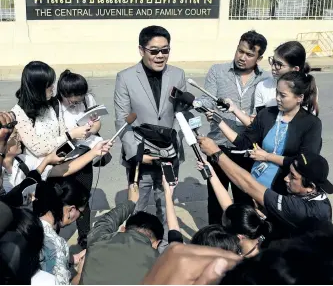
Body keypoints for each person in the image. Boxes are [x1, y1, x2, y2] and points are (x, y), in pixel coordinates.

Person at [114, 25, 186, 250]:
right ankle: (137, 249)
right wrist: (137, 154)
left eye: (165, 50)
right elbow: (122, 120)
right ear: (141, 50)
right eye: (154, 51)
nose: (160, 56)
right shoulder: (125, 77)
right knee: (138, 207)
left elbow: (182, 113)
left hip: (169, 155)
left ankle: (165, 250)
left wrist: (173, 145)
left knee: (166, 204)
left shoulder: (178, 74)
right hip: (141, 157)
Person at [198, 30, 271, 225]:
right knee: (215, 201)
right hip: (219, 146)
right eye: (240, 51)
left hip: (249, 150)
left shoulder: (266, 80)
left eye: (249, 54)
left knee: (245, 202)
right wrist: (199, 105)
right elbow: (206, 98)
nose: (242, 57)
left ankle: (245, 244)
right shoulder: (218, 71)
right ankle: (215, 241)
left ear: (259, 57)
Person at [198, 136, 332, 238]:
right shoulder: (316, 197)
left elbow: (248, 184)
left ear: (311, 186)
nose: (286, 178)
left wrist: (216, 153)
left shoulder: (301, 210)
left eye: (293, 176)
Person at [211, 71, 321, 194]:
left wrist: (267, 157)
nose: (277, 98)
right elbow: (243, 142)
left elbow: (303, 162)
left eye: (283, 95)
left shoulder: (311, 124)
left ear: (299, 98)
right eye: (277, 93)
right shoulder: (266, 114)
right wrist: (218, 121)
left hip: (284, 190)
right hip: (255, 185)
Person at [11, 61, 91, 185]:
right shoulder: (19, 113)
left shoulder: (54, 103)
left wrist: (77, 134)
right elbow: (38, 148)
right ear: (37, 87)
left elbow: (62, 131)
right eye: (49, 85)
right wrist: (70, 135)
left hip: (64, 164)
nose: (53, 88)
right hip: (41, 174)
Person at [80, 184, 164, 285]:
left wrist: (131, 202)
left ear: (123, 229)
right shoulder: (159, 265)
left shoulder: (99, 240)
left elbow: (106, 222)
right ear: (156, 243)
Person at [56, 69, 102, 249]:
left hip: (84, 153)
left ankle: (84, 235)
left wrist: (91, 129)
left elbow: (97, 121)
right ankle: (54, 234)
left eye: (80, 96)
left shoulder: (88, 100)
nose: (76, 100)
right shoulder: (55, 106)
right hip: (63, 158)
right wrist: (72, 133)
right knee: (59, 198)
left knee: (82, 197)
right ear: (63, 93)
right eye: (72, 97)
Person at [225, 41, 315, 126]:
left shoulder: (308, 87)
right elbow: (257, 125)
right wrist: (236, 111)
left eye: (279, 64)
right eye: (273, 61)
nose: (273, 67)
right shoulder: (263, 86)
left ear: (295, 69)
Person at [32, 179, 90, 285]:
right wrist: (81, 273)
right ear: (71, 210)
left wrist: (73, 258)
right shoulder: (54, 245)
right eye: (81, 214)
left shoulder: (29, 221)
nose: (79, 218)